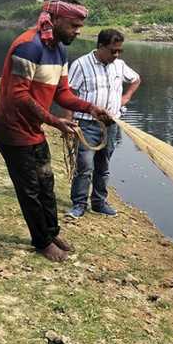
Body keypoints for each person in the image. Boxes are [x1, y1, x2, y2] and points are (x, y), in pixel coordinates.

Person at [0, 0, 113, 262]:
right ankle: (42, 242)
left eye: (80, 25)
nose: (78, 30)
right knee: (30, 187)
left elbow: (63, 93)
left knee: (46, 181)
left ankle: (51, 231)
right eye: (73, 25)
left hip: (33, 128)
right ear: (55, 19)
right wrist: (56, 122)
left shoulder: (59, 50)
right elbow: (19, 96)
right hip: (12, 130)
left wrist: (91, 108)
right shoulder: (28, 46)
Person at [66, 29, 141, 219]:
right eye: (112, 51)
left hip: (111, 125)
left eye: (119, 51)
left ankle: (99, 203)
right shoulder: (81, 64)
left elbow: (136, 79)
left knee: (103, 165)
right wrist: (68, 123)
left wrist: (126, 97)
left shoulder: (119, 65)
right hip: (87, 124)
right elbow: (69, 94)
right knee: (84, 166)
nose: (116, 55)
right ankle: (79, 205)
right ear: (100, 47)